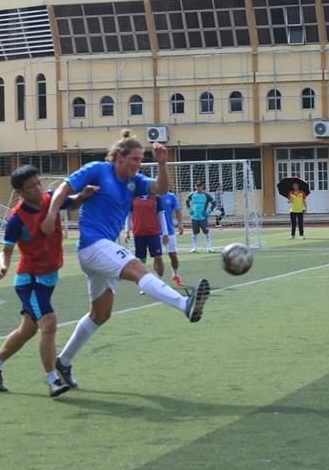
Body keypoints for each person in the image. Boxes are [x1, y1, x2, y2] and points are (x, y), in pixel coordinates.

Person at [40, 130, 211, 389]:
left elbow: (161, 189)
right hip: (92, 245)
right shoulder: (97, 169)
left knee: (100, 314)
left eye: (142, 160)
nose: (138, 165)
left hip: (104, 249)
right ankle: (184, 304)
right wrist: (52, 214)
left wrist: (163, 163)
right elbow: (65, 187)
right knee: (137, 267)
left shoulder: (135, 181)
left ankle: (64, 361)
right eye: (135, 159)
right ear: (119, 157)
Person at [0, 165, 95, 397]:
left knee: (27, 330)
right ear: (20, 192)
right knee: (49, 324)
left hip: (49, 278)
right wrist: (3, 265)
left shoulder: (51, 200)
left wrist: (84, 195)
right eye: (31, 186)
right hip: (29, 280)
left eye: (38, 183)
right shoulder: (17, 218)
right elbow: (6, 250)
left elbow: (71, 202)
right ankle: (53, 380)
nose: (37, 188)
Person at [124, 192, 167, 282]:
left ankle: (160, 281)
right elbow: (128, 215)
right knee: (141, 260)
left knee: (158, 257)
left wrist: (165, 233)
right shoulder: (133, 198)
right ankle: (144, 283)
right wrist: (127, 231)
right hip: (138, 234)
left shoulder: (156, 198)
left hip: (153, 233)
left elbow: (161, 215)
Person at [160, 187, 185, 287]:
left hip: (169, 231)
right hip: (156, 231)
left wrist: (180, 224)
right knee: (157, 257)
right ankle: (158, 280)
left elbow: (177, 210)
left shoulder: (171, 196)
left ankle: (175, 274)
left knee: (173, 255)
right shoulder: (152, 195)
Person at [185, 183, 215, 252]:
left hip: (203, 217)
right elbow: (187, 202)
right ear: (195, 187)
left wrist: (209, 211)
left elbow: (214, 203)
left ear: (202, 187)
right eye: (197, 186)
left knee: (206, 232)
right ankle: (195, 248)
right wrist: (189, 209)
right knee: (194, 233)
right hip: (194, 217)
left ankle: (209, 247)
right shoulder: (192, 195)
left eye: (200, 186)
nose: (198, 188)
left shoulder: (206, 195)